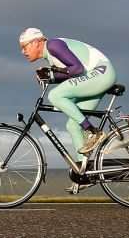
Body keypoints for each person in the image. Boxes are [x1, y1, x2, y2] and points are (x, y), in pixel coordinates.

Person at [18, 28, 117, 162]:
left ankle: (93, 132)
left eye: (24, 46)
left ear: (36, 42)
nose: (23, 51)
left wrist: (52, 73)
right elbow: (70, 73)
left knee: (55, 95)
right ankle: (82, 171)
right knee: (73, 125)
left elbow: (77, 69)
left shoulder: (53, 45)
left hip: (101, 73)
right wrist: (51, 76)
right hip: (94, 76)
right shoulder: (50, 56)